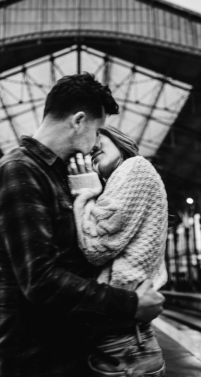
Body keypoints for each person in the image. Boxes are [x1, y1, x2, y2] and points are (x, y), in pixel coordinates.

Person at [0, 73, 165, 377]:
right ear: (78, 121)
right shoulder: (19, 171)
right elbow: (40, 280)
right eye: (96, 131)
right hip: (31, 361)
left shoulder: (55, 175)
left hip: (66, 355)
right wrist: (129, 304)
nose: (95, 143)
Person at [68, 125, 167, 377]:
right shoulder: (118, 181)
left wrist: (83, 187)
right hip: (125, 339)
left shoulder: (135, 168)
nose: (92, 148)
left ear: (117, 139)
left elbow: (96, 247)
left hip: (124, 345)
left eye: (97, 138)